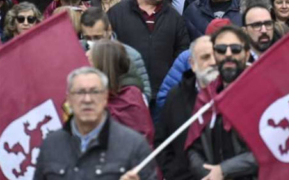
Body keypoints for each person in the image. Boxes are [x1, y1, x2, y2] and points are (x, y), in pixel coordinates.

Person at [34, 67, 156, 180]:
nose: (87, 99)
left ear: (105, 97)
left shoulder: (134, 145)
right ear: (69, 99)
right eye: (80, 92)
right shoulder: (51, 144)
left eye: (95, 92)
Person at [108, 0, 190, 100]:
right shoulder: (117, 13)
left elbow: (182, 49)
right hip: (127, 93)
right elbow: (107, 50)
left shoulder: (173, 16)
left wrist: (171, 79)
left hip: (163, 94)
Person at [187, 26, 258, 180]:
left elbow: (267, 150)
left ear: (246, 54)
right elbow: (193, 149)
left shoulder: (260, 93)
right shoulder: (206, 96)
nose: (228, 55)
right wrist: (209, 174)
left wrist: (224, 170)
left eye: (235, 49)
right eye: (220, 49)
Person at [155, 36, 217, 180]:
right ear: (192, 64)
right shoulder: (176, 96)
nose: (213, 62)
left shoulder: (231, 93)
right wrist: (173, 174)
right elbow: (162, 142)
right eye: (205, 57)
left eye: (216, 55)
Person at [87, 40, 154, 146]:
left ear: (101, 66)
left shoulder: (129, 96)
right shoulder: (93, 93)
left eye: (89, 61)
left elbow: (142, 139)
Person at [80, 7, 152, 100]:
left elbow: (145, 94)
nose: (92, 42)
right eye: (88, 38)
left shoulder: (130, 56)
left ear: (109, 30)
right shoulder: (76, 50)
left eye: (97, 37)